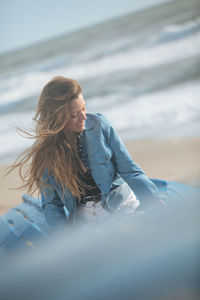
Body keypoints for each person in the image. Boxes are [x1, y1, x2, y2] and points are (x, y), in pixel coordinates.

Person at [9, 76, 165, 229]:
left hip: (120, 205)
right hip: (84, 219)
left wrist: (153, 199)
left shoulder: (100, 126)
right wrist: (65, 240)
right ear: (57, 118)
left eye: (83, 107)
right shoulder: (45, 152)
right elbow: (52, 204)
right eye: (74, 115)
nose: (83, 116)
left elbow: (129, 169)